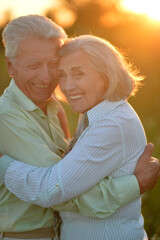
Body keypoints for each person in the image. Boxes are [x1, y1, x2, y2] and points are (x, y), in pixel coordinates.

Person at [0, 32, 159, 240]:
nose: (67, 86)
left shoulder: (111, 123)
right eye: (63, 75)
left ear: (106, 75)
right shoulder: (93, 114)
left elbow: (50, 190)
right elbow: (78, 178)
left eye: (78, 73)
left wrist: (3, 164)